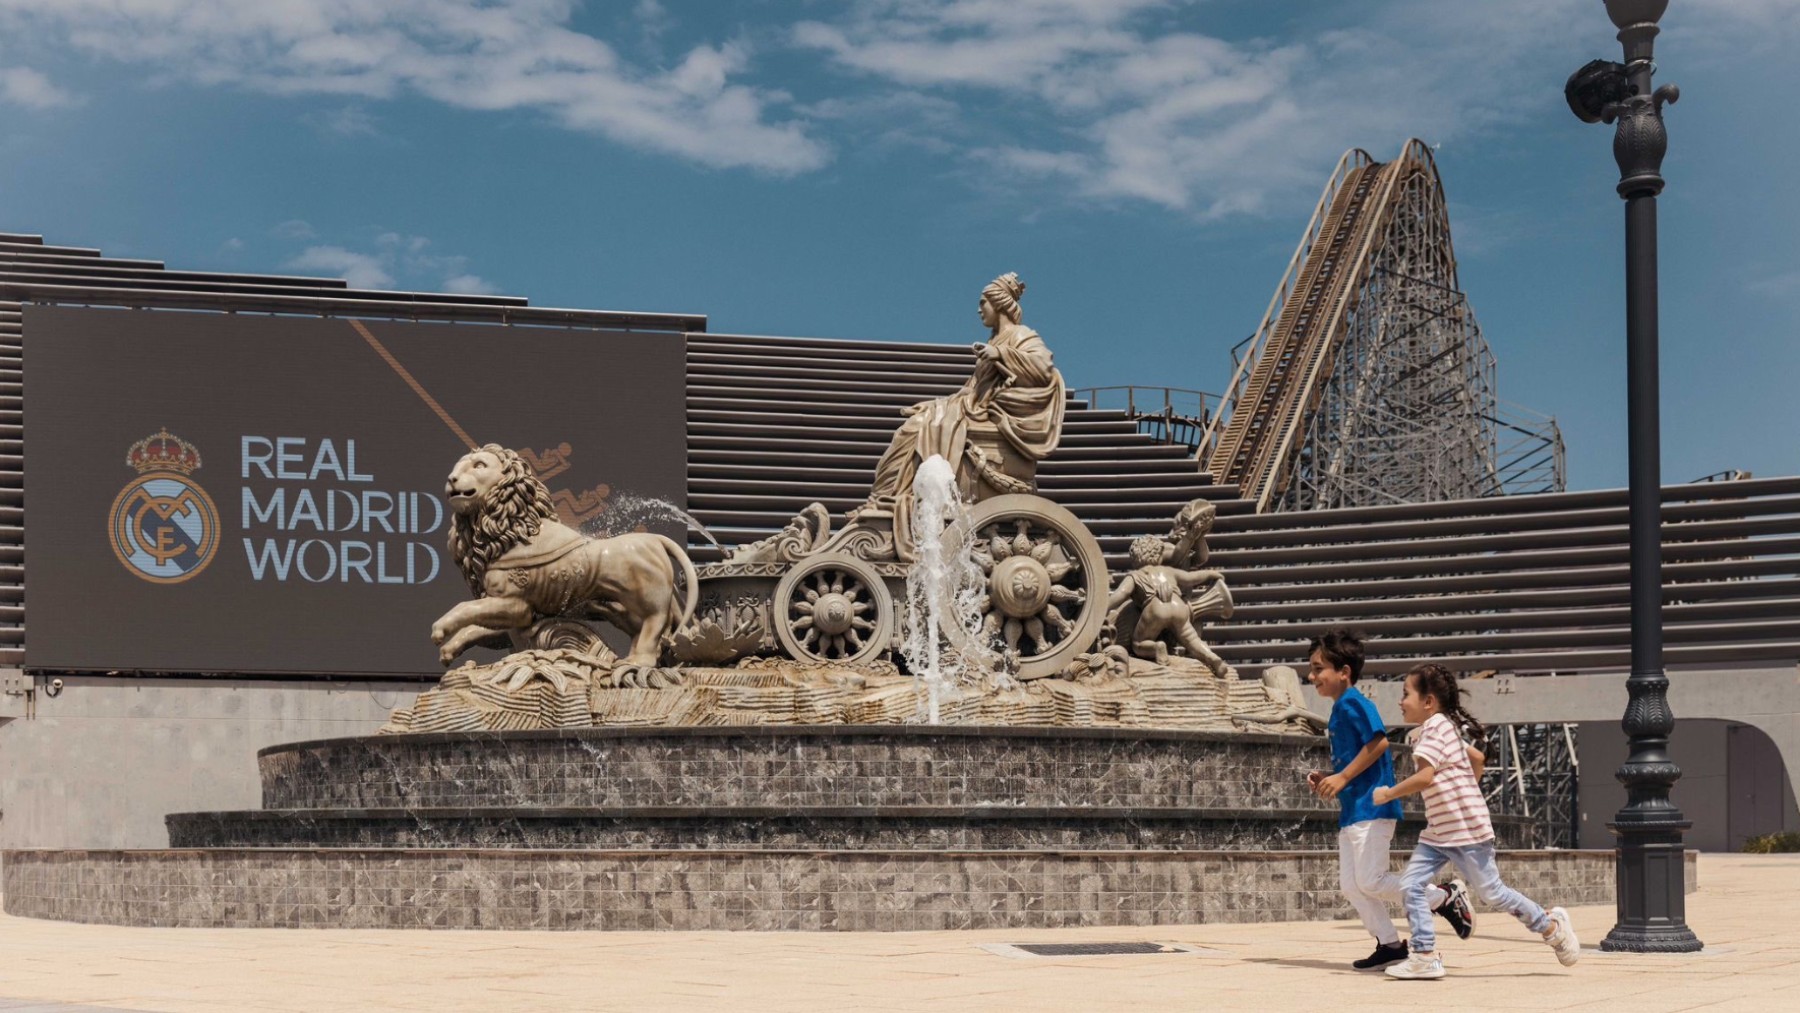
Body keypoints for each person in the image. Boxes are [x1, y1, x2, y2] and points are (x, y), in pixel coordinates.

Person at [1374, 663, 1581, 980]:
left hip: (1467, 832)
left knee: (1494, 894)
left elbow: (1425, 777)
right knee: (1411, 885)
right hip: (1442, 832)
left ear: (1428, 702)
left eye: (1406, 694)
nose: (1400, 702)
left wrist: (1389, 794)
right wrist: (1466, 791)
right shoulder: (1441, 727)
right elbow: (1477, 759)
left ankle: (1552, 926)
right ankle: (1425, 956)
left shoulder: (1433, 729)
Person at [857, 272, 1064, 561]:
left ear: (999, 303)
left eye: (983, 303)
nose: (979, 309)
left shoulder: (1021, 335)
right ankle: (885, 498)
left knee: (919, 429)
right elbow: (970, 391)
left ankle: (886, 499)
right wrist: (931, 404)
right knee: (917, 423)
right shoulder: (997, 338)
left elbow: (1043, 368)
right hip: (972, 408)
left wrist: (1000, 354)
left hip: (993, 415)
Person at [1305, 630, 1473, 971]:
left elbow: (1379, 743)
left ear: (1344, 672)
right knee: (1352, 885)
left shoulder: (1355, 702)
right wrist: (1329, 776)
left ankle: (1443, 897)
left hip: (1373, 806)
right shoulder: (1339, 708)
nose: (1311, 676)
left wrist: (1343, 777)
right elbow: (1356, 758)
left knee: (1371, 881)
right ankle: (1390, 944)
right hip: (1353, 810)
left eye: (1318, 668)